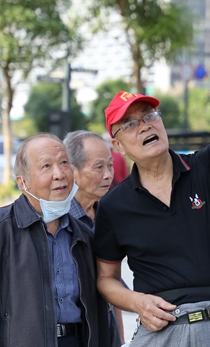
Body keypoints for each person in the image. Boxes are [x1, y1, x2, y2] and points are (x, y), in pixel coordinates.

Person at [94, 86, 210, 346]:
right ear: (118, 145)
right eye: (131, 124)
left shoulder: (206, 167)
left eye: (149, 115)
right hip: (161, 330)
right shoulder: (113, 205)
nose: (145, 126)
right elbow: (106, 278)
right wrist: (137, 302)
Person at [0, 133, 110, 347]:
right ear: (23, 182)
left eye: (64, 163)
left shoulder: (84, 234)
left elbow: (99, 313)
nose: (59, 174)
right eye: (46, 166)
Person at [63, 130, 125, 346]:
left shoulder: (109, 214)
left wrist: (120, 339)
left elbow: (113, 279)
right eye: (99, 167)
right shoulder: (58, 221)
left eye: (110, 165)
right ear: (72, 171)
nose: (108, 175)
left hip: (105, 329)